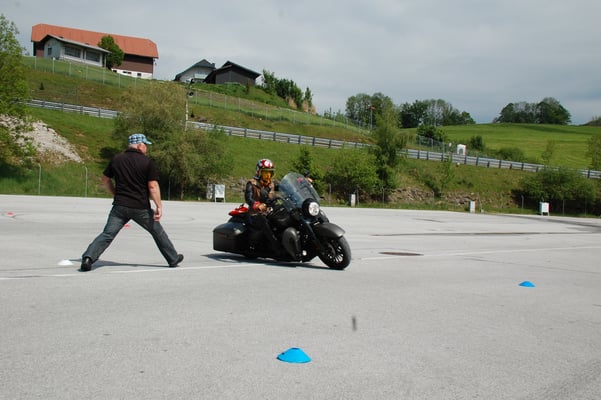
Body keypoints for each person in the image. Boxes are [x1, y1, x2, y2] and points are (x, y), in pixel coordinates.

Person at [80, 133, 183, 271]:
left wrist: (115, 193)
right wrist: (159, 206)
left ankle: (88, 258)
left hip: (119, 207)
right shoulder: (147, 162)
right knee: (157, 231)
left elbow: (105, 179)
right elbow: (153, 186)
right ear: (140, 145)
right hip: (140, 207)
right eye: (145, 145)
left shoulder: (117, 159)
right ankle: (173, 258)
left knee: (107, 234)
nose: (146, 148)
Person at [244, 158, 281, 252]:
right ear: (259, 172)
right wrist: (257, 205)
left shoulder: (272, 184)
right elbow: (248, 198)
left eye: (270, 173)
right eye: (265, 173)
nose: (268, 176)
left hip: (269, 212)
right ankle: (277, 247)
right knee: (264, 222)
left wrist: (301, 181)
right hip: (254, 214)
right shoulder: (251, 183)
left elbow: (285, 186)